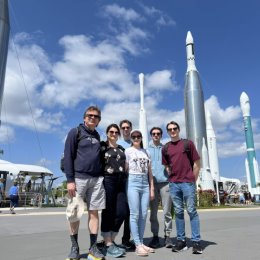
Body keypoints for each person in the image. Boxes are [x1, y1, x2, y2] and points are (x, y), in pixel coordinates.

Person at [64, 105, 106, 260]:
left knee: (94, 213)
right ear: (84, 117)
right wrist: (70, 180)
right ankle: (74, 248)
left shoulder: (97, 136)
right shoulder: (75, 132)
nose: (92, 118)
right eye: (90, 115)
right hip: (78, 179)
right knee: (74, 214)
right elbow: (68, 156)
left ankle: (93, 247)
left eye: (96, 116)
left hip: (96, 180)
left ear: (99, 121)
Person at [162, 121, 203, 254]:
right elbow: (166, 164)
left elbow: (197, 163)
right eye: (170, 129)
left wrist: (192, 180)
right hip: (174, 184)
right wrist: (170, 171)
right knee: (178, 213)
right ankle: (181, 241)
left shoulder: (188, 144)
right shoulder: (166, 147)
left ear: (179, 130)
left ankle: (196, 242)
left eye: (174, 128)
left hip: (187, 183)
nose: (172, 131)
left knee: (192, 211)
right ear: (168, 132)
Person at [125, 129, 155, 256]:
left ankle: (141, 242)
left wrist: (151, 188)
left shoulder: (146, 152)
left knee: (143, 214)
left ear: (142, 138)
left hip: (145, 183)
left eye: (138, 136)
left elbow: (150, 173)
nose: (136, 138)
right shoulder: (128, 151)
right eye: (133, 137)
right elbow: (125, 170)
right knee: (135, 214)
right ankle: (137, 244)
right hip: (133, 181)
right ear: (131, 138)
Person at [100, 124, 128, 258]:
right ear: (107, 133)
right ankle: (108, 244)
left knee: (122, 212)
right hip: (108, 180)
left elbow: (126, 165)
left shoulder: (122, 149)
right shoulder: (102, 147)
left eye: (116, 132)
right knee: (108, 211)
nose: (114, 133)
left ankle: (110, 239)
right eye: (111, 131)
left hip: (121, 181)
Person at [147, 127, 173, 249]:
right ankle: (155, 236)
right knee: (153, 213)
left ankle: (167, 236)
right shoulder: (146, 149)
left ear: (161, 135)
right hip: (152, 184)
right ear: (151, 135)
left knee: (167, 211)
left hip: (165, 183)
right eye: (153, 134)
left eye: (158, 133)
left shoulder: (166, 148)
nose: (156, 135)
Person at [117, 119, 135, 250]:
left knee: (130, 212)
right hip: (118, 181)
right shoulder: (116, 143)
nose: (126, 129)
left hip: (132, 181)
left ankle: (126, 239)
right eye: (123, 127)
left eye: (128, 127)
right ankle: (109, 239)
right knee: (119, 212)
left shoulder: (135, 143)